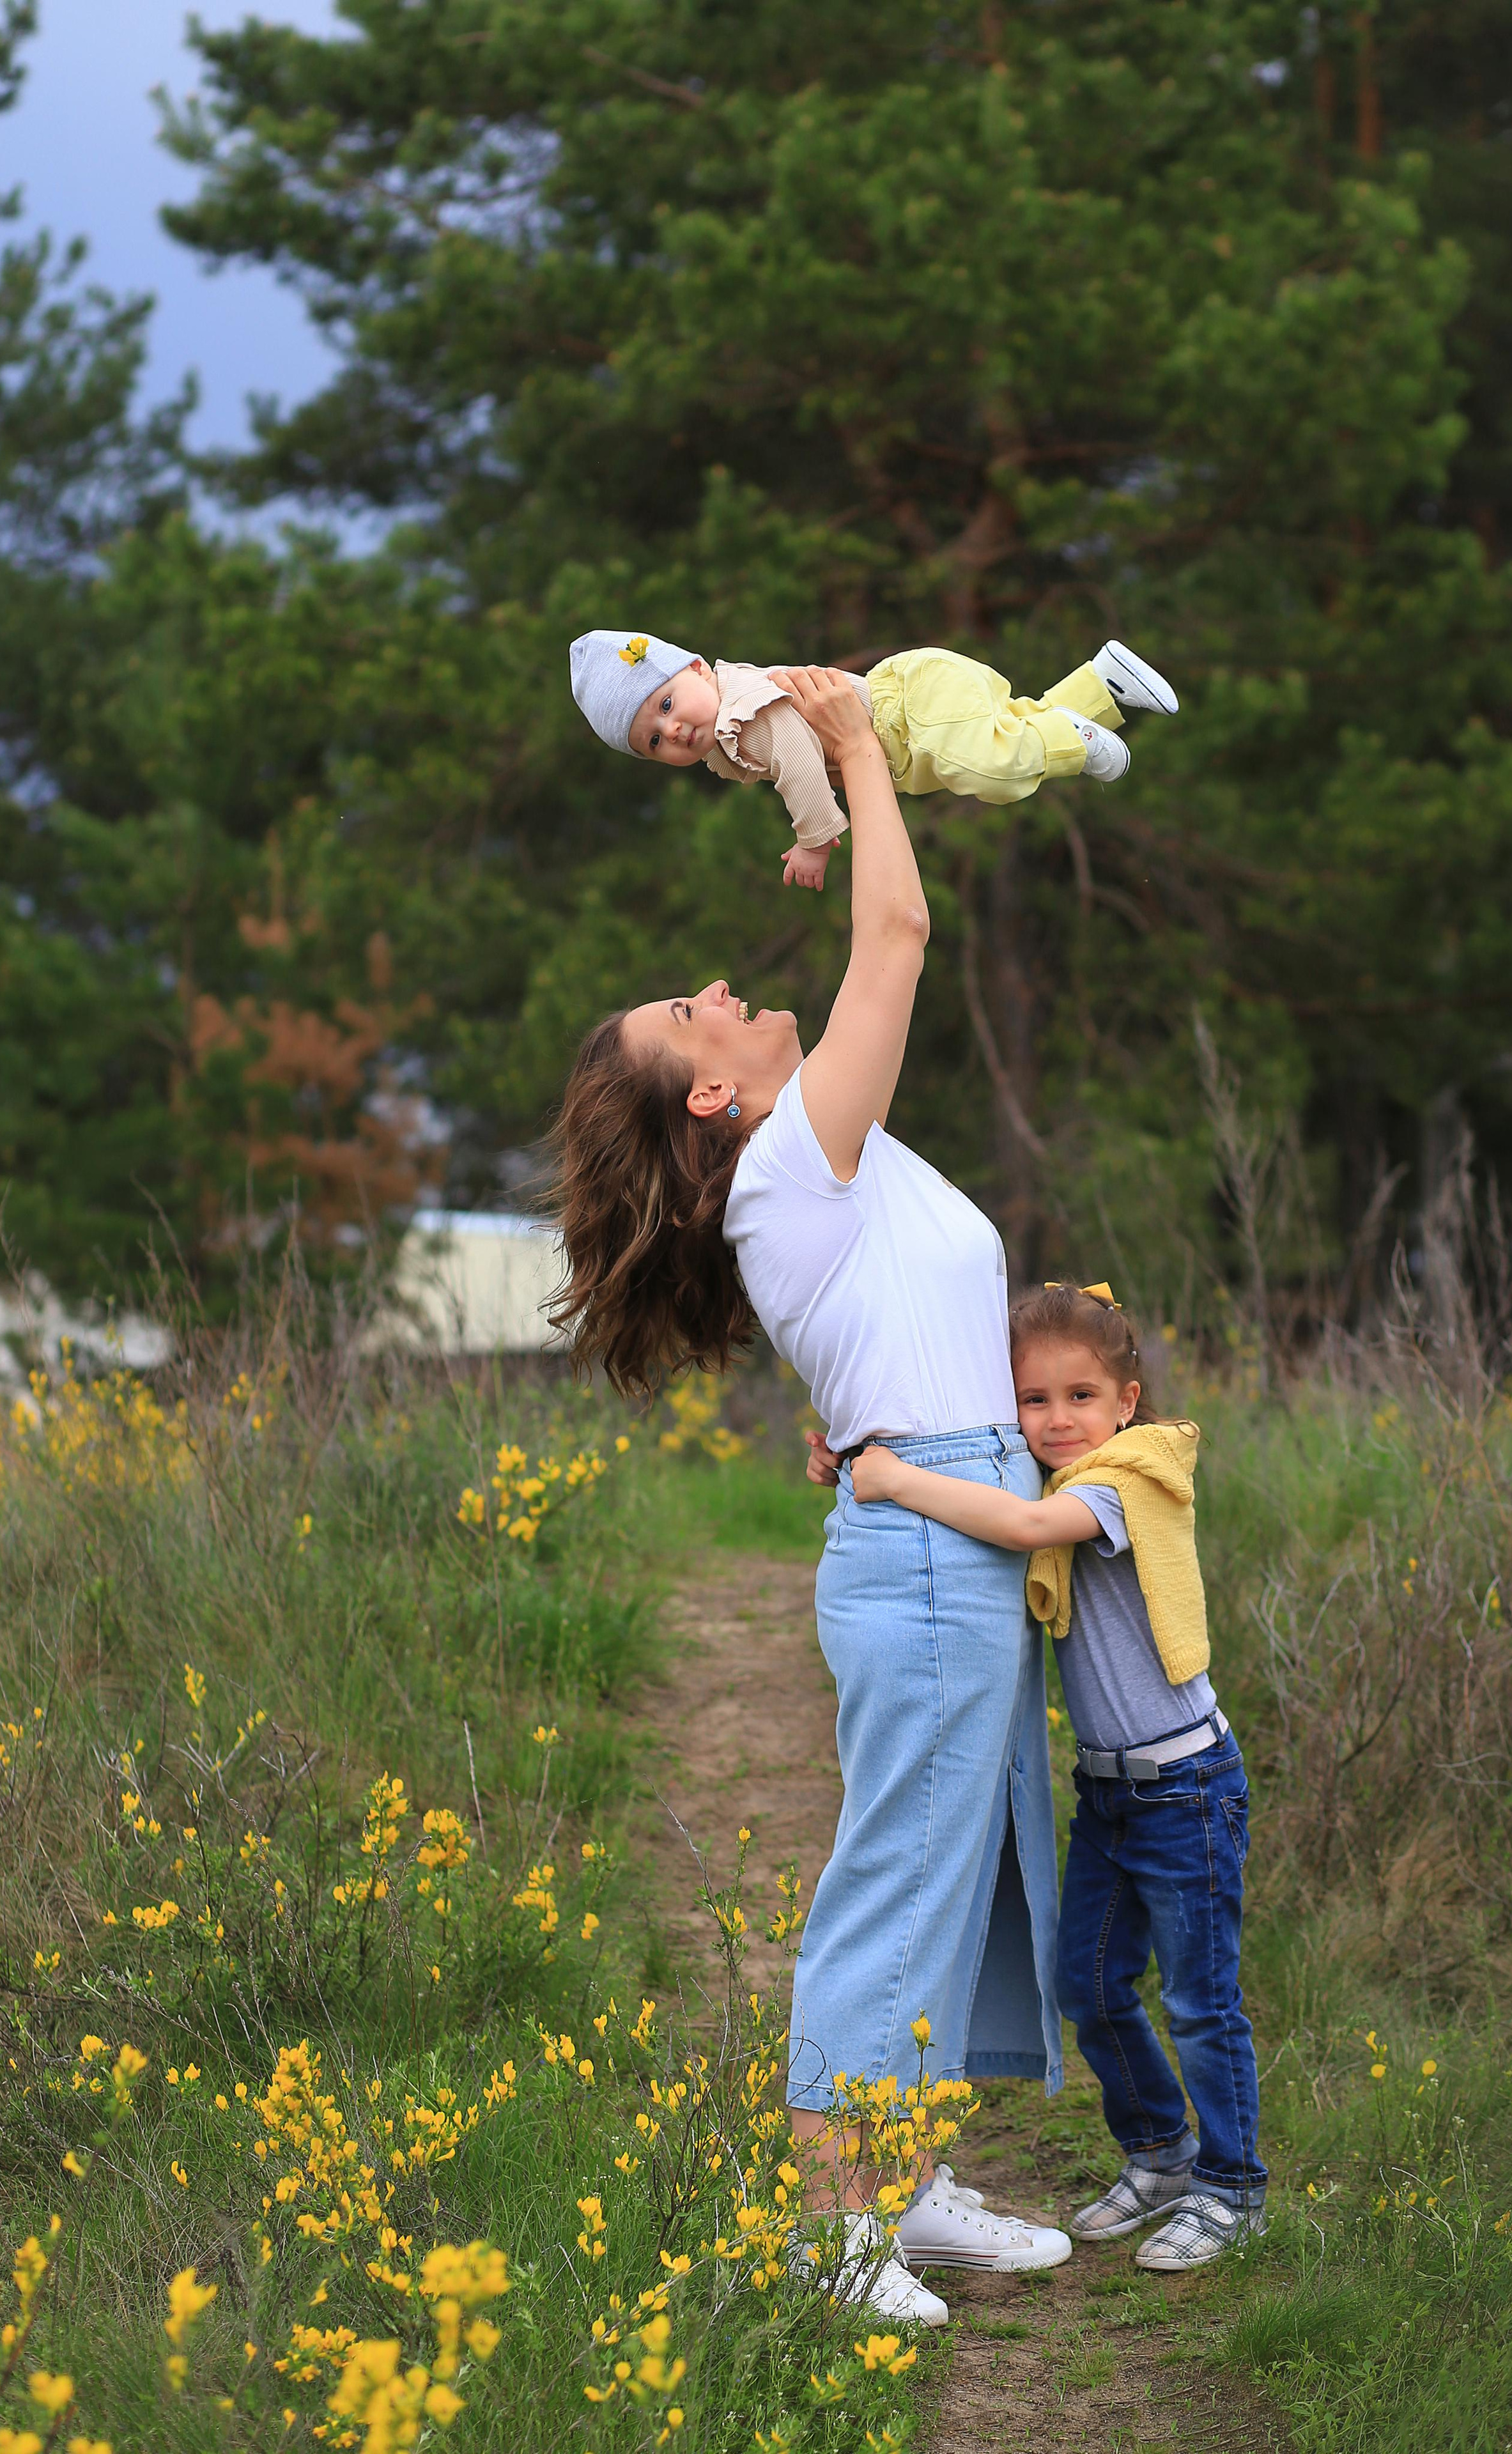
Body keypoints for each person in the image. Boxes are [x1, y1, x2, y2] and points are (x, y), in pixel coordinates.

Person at [550, 665, 1073, 2328]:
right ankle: (825, 2227)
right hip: (927, 1561)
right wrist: (848, 745)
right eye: (693, 1013)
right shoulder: (790, 1158)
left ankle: (906, 2187)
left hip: (941, 1525)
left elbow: (896, 1338)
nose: (718, 989)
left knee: (953, 1871)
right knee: (894, 1879)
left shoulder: (815, 1166)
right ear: (714, 1094)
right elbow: (897, 941)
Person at [818, 1280, 1267, 2269]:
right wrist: (850, 1460)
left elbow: (1016, 1531)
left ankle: (1233, 2189)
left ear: (1127, 1404)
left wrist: (891, 1481)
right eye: (1034, 1401)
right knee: (1091, 1986)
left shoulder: (1128, 1482)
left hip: (1188, 1786)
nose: (1057, 1420)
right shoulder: (1051, 1473)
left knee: (1202, 1999)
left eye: (1081, 1397)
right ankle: (1160, 2154)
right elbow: (969, 1481)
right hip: (1110, 1790)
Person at [567, 628, 1178, 888]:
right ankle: (1104, 685)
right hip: (908, 721)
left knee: (989, 770)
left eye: (669, 702)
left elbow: (801, 763)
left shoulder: (742, 715)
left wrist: (814, 840)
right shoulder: (725, 716)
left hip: (907, 709)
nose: (674, 729)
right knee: (1013, 727)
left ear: (699, 668)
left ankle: (1079, 742)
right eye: (653, 738)